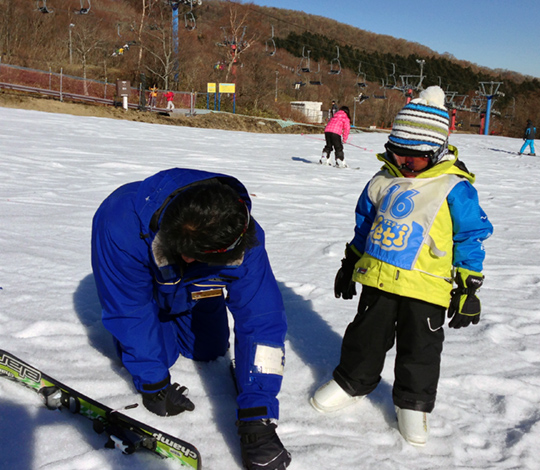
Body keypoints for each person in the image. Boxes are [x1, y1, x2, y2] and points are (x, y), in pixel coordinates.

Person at [310, 86, 493, 447]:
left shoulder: (453, 188)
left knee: (421, 347)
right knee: (365, 335)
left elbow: (470, 236)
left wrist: (469, 285)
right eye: (400, 155)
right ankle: (352, 381)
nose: (406, 165)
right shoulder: (382, 180)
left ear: (437, 152)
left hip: (427, 284)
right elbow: (365, 225)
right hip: (378, 277)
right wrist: (350, 261)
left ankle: (413, 402)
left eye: (416, 160)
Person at [91, 169, 291, 470]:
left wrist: (257, 416)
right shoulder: (119, 222)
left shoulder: (246, 240)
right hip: (145, 296)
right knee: (161, 357)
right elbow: (128, 308)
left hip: (196, 294)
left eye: (195, 254)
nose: (186, 258)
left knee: (209, 350)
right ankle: (157, 342)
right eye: (181, 250)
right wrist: (153, 383)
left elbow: (261, 319)